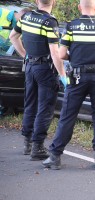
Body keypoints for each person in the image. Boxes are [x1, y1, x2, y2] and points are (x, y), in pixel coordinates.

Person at [42, 0, 95, 170]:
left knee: (68, 116)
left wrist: (76, 56)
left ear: (79, 8)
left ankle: (55, 157)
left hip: (77, 78)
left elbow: (61, 53)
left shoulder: (71, 27)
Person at [9, 0, 67, 160]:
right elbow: (55, 53)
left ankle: (27, 143)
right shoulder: (49, 22)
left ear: (36, 1)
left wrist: (24, 55)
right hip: (45, 69)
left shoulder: (26, 17)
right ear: (53, 2)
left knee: (30, 104)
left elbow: (13, 36)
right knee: (45, 107)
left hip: (30, 67)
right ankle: (38, 147)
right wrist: (63, 75)